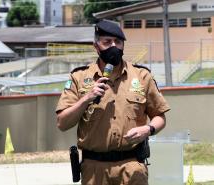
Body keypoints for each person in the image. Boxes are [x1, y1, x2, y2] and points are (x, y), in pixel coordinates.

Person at [56, 20, 170, 185]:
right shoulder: (79, 77)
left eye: (118, 42)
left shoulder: (142, 76)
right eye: (107, 42)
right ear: (96, 46)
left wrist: (148, 129)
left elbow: (160, 116)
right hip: (94, 171)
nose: (114, 47)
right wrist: (86, 98)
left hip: (132, 168)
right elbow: (62, 123)